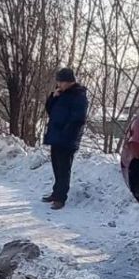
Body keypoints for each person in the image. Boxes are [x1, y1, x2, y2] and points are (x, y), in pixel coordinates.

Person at [41, 67, 88, 210]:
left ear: (69, 82)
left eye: (61, 82)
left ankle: (61, 198)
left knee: (64, 169)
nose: (58, 85)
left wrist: (66, 131)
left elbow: (78, 118)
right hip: (56, 136)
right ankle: (56, 193)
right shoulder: (61, 94)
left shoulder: (78, 96)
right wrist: (52, 97)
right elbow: (50, 110)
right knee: (56, 167)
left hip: (67, 138)